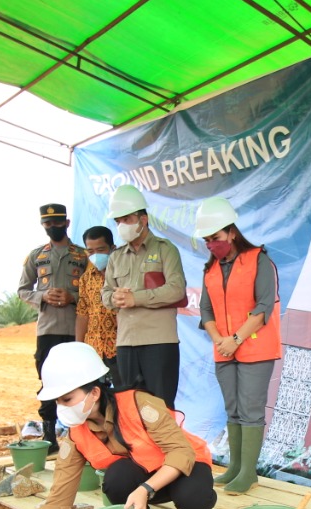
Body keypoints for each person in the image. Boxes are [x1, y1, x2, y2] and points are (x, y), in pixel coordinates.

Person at [0, 342, 216, 509]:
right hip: (146, 477)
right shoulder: (76, 435)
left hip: (184, 466)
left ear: (94, 393)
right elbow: (58, 500)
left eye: (68, 399)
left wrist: (145, 489)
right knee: (116, 478)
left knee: (193, 497)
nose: (62, 408)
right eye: (58, 401)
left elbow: (181, 452)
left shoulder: (140, 404)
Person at [195, 197, 280, 496]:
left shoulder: (259, 260)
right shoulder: (211, 269)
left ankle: (248, 473)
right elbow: (206, 310)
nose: (211, 244)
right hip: (223, 349)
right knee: (232, 409)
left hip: (255, 348)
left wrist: (235, 339)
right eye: (207, 240)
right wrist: (219, 339)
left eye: (215, 237)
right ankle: (235, 467)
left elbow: (264, 305)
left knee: (250, 410)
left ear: (231, 232)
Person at [101, 185, 186, 409]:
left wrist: (135, 298)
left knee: (162, 408)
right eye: (118, 221)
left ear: (143, 219)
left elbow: (176, 289)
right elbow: (105, 293)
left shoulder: (165, 249)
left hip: (159, 341)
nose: (122, 225)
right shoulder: (116, 256)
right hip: (126, 342)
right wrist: (114, 298)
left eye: (127, 219)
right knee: (131, 409)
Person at [17, 203, 87, 445]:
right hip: (47, 330)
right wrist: (43, 296)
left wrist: (73, 297)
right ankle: (49, 436)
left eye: (57, 222)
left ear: (66, 223)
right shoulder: (36, 256)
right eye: (47, 223)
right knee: (48, 381)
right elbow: (23, 290)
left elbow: (95, 291)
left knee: (80, 381)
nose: (52, 226)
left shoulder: (83, 256)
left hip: (76, 329)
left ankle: (80, 436)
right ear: (42, 225)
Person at [75, 225, 119, 379]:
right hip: (93, 350)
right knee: (96, 392)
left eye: (100, 250)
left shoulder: (123, 275)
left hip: (119, 348)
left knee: (124, 390)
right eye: (90, 251)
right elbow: (82, 314)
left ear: (112, 249)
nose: (95, 255)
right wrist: (79, 347)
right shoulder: (85, 279)